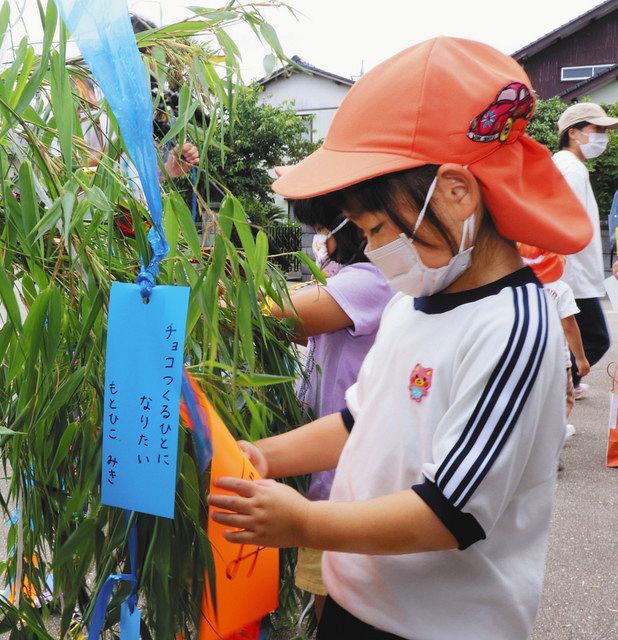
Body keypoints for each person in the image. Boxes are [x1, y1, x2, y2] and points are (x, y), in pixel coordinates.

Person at [208, 37, 592, 640]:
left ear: (456, 192)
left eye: (380, 226)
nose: (375, 247)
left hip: (437, 626)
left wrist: (305, 524)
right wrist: (267, 456)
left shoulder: (513, 327)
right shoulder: (414, 303)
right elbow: (359, 422)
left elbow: (450, 512)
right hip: (354, 602)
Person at [269, 197, 393, 619]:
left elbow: (282, 315)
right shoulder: (343, 275)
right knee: (324, 589)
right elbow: (309, 327)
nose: (320, 240)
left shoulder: (372, 279)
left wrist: (206, 300)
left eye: (324, 229)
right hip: (327, 455)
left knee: (338, 599)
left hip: (348, 470)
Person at [552, 103, 618, 399]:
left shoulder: (567, 165)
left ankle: (564, 386)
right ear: (574, 133)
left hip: (569, 272)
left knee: (570, 339)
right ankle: (554, 391)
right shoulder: (571, 169)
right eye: (597, 129)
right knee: (597, 339)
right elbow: (562, 220)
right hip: (572, 274)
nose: (603, 136)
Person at [518, 243, 589, 438]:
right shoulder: (561, 288)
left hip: (523, 356)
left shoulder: (518, 286)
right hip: (556, 359)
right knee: (564, 399)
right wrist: (581, 358)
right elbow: (569, 326)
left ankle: (530, 436)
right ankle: (554, 436)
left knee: (530, 400)